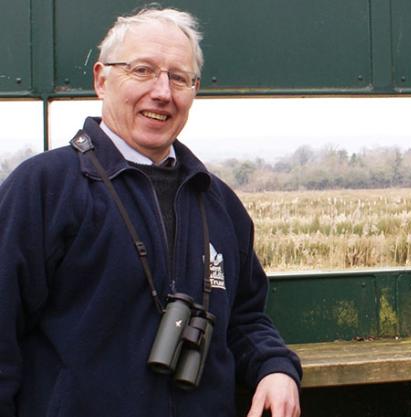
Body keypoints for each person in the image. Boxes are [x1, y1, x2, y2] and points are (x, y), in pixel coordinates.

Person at [0, 7, 301, 417]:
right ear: (101, 79)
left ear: (194, 90)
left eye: (179, 77)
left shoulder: (219, 202)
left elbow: (246, 319)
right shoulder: (44, 188)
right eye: (142, 70)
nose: (162, 92)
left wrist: (274, 368)